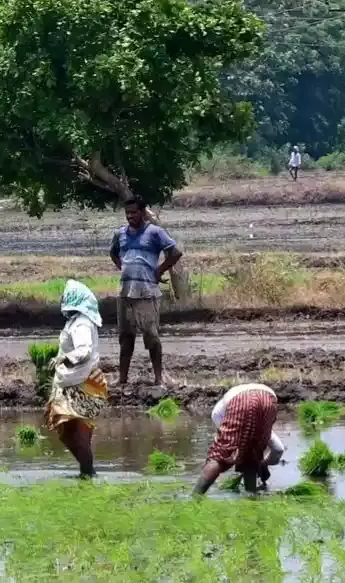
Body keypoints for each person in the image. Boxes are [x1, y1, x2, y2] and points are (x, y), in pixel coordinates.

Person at [109, 196, 182, 386]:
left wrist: (159, 270)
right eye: (127, 213)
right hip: (125, 293)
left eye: (133, 212)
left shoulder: (155, 232)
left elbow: (175, 253)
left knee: (151, 336)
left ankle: (158, 378)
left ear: (142, 212)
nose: (130, 216)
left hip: (147, 293)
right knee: (125, 337)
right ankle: (122, 378)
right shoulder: (120, 234)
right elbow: (113, 253)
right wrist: (125, 268)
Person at [43, 280, 108, 479]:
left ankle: (88, 474)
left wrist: (65, 358)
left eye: (65, 296)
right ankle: (87, 472)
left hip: (81, 385)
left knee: (77, 435)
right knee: (68, 431)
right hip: (72, 382)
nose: (62, 299)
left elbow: (84, 350)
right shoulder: (74, 321)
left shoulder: (82, 324)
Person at [193, 383, 285, 495]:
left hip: (241, 400)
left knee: (221, 455)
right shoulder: (219, 413)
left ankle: (195, 496)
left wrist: (261, 462)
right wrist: (260, 461)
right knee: (253, 455)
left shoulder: (219, 413)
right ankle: (251, 496)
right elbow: (278, 449)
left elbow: (228, 442)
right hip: (268, 400)